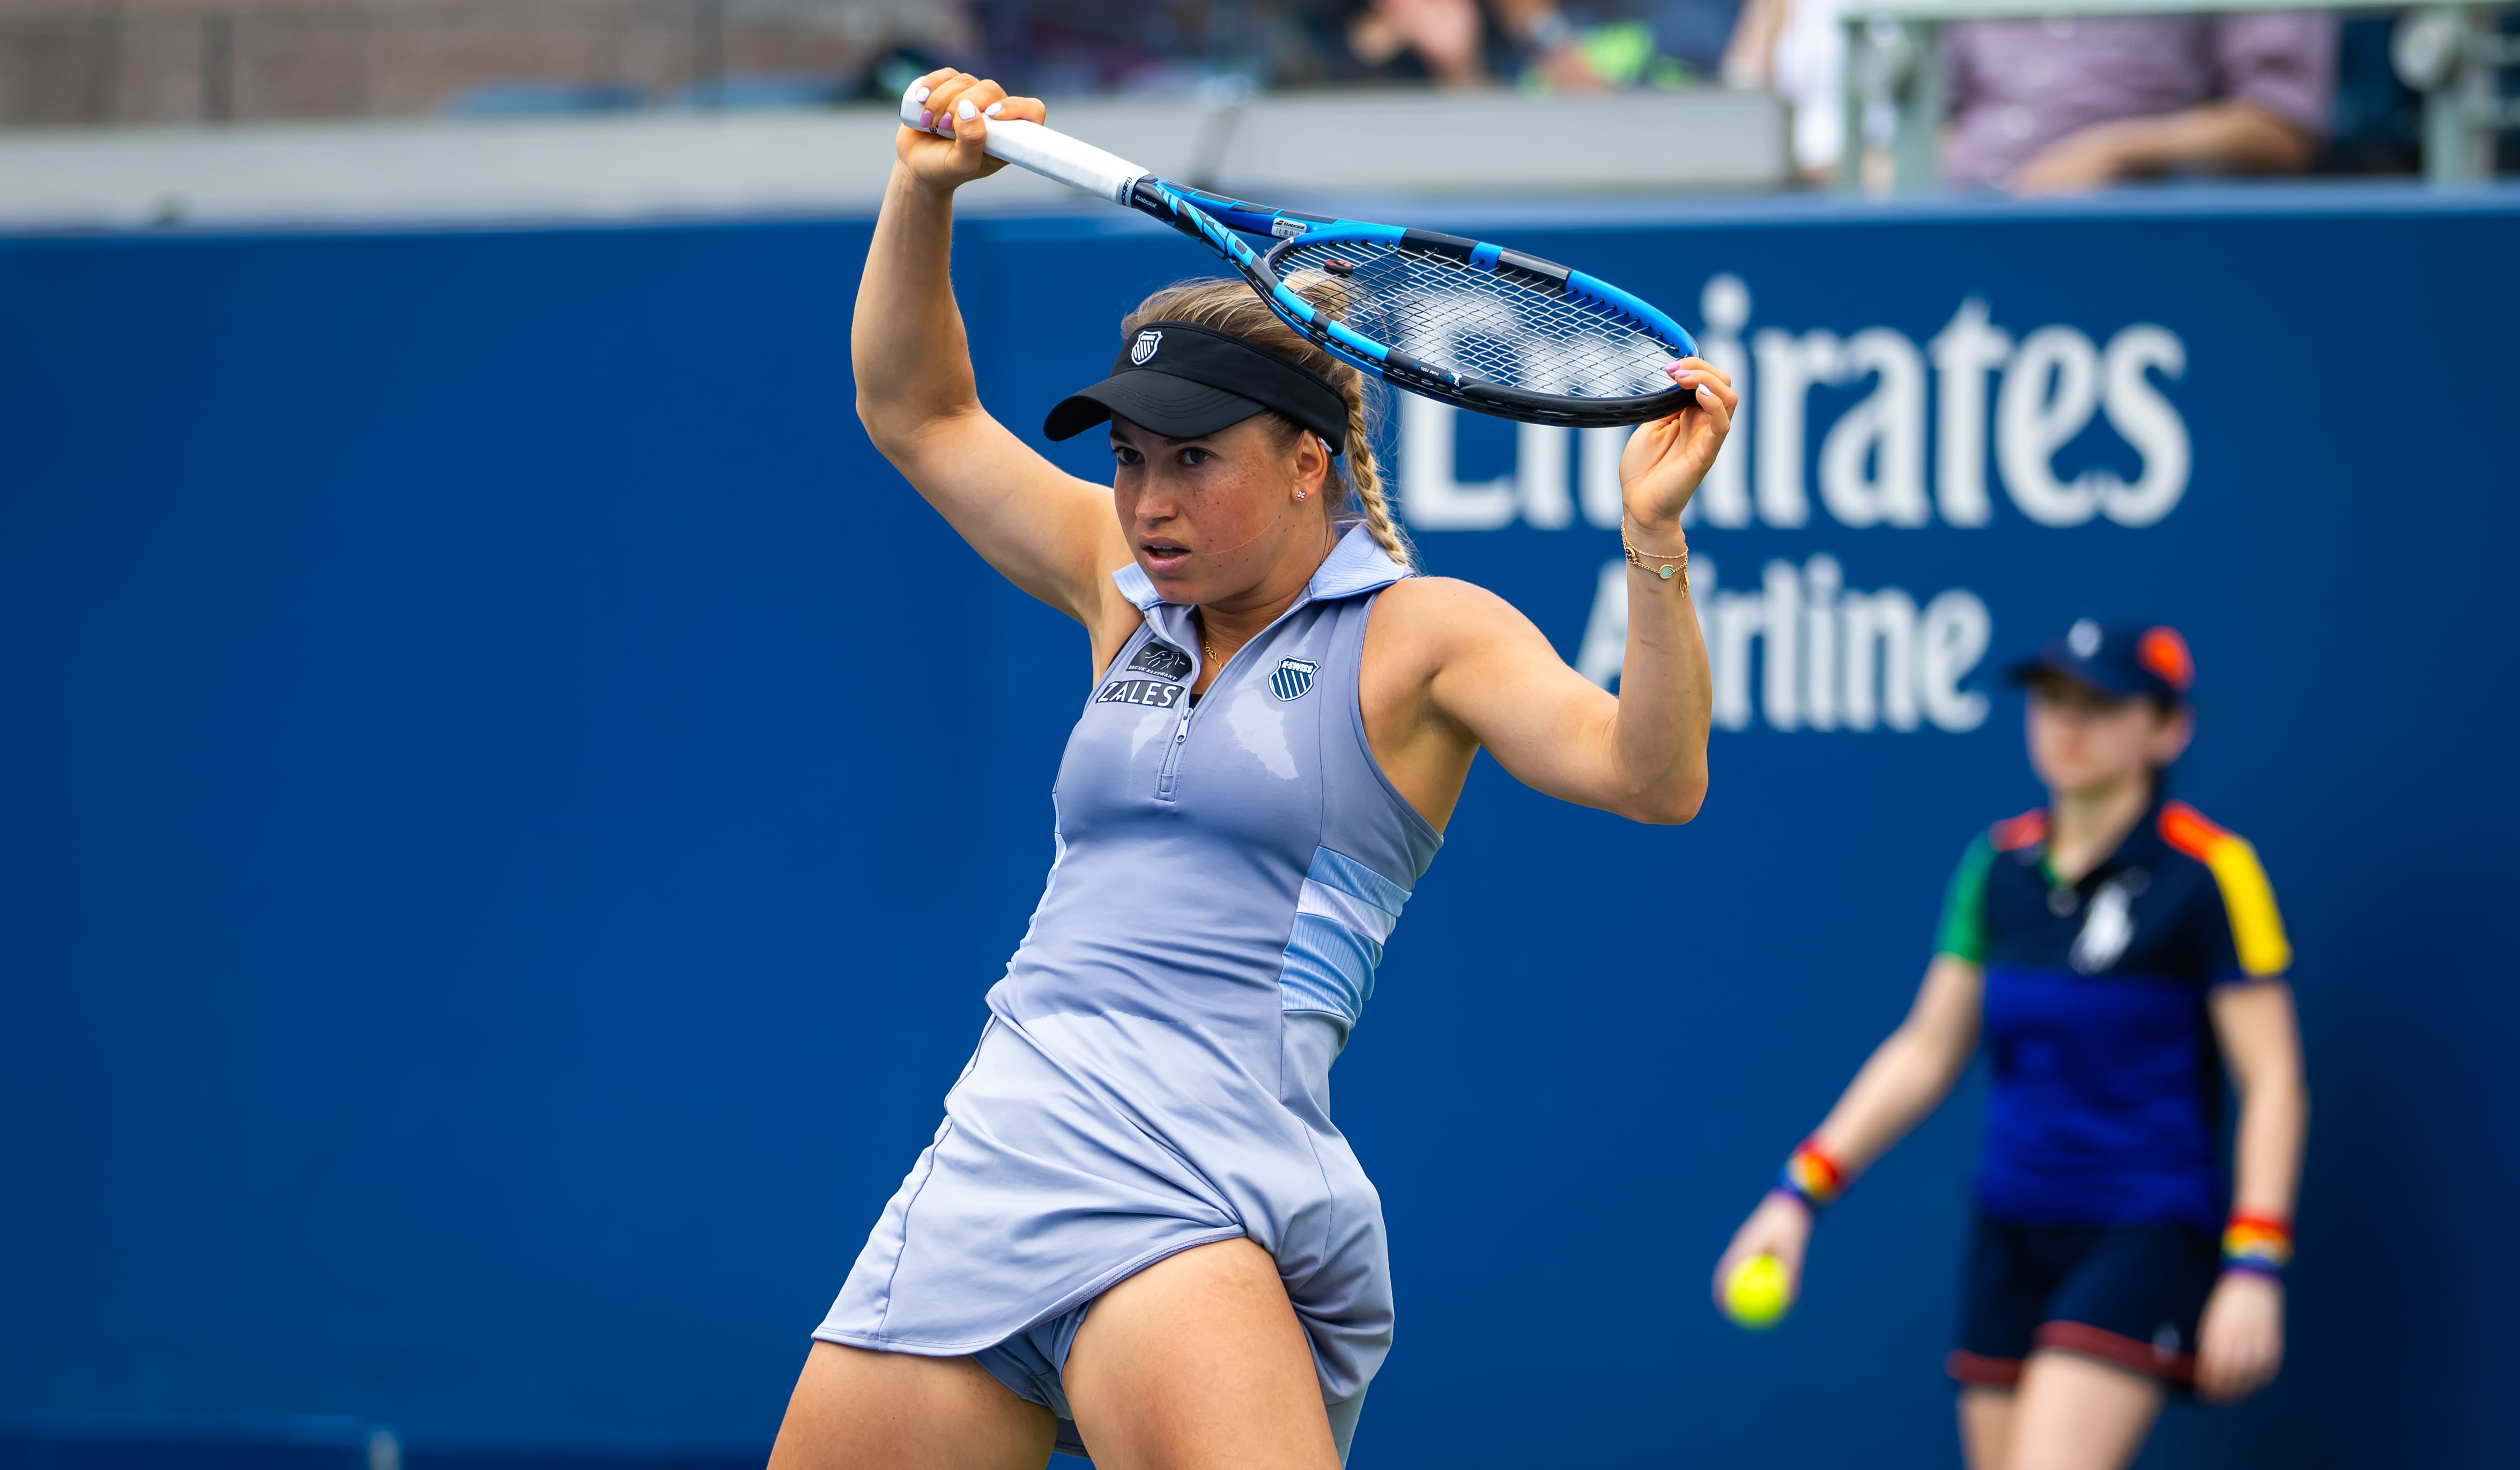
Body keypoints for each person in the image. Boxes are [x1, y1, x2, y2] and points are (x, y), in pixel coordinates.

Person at [769, 70, 1735, 1470]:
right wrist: (918, 191)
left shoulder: (1418, 635)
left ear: (1305, 465)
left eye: (1193, 462)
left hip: (1195, 1189)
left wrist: (1652, 534)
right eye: (1128, 460)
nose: (1148, 501)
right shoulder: (1123, 599)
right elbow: (914, 409)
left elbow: (1654, 776)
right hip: (996, 1151)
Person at [1714, 620, 2308, 1470]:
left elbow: (2275, 1078)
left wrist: (2254, 1261)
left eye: (2102, 703)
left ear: (2167, 728)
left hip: (2141, 1229)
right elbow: (1926, 1050)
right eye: (2052, 700)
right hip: (2011, 1229)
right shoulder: (1996, 867)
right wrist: (1797, 1193)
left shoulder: (2212, 874)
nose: (2068, 722)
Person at [1943, 13, 2338, 193]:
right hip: (1963, 217)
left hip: (2135, 232)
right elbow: (1945, 113)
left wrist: (2116, 152)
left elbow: (2280, 125)